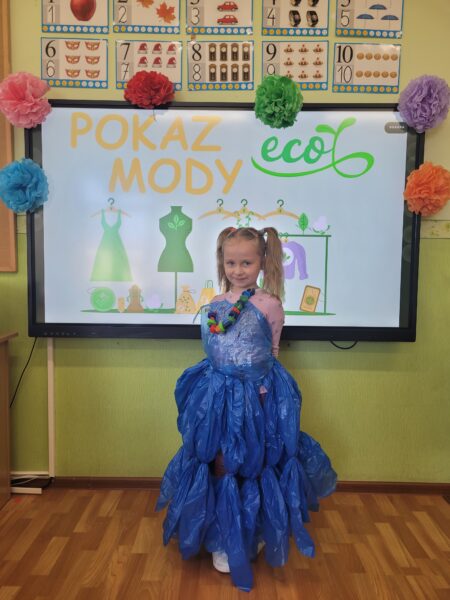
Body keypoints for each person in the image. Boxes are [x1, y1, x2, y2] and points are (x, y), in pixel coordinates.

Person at [156, 226, 337, 592]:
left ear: (262, 263)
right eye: (231, 262)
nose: (238, 270)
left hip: (257, 398)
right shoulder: (214, 304)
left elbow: (271, 351)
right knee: (220, 461)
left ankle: (251, 531)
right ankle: (223, 537)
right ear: (222, 263)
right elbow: (215, 349)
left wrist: (262, 396)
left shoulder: (270, 304)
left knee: (253, 462)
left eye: (246, 263)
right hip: (217, 397)